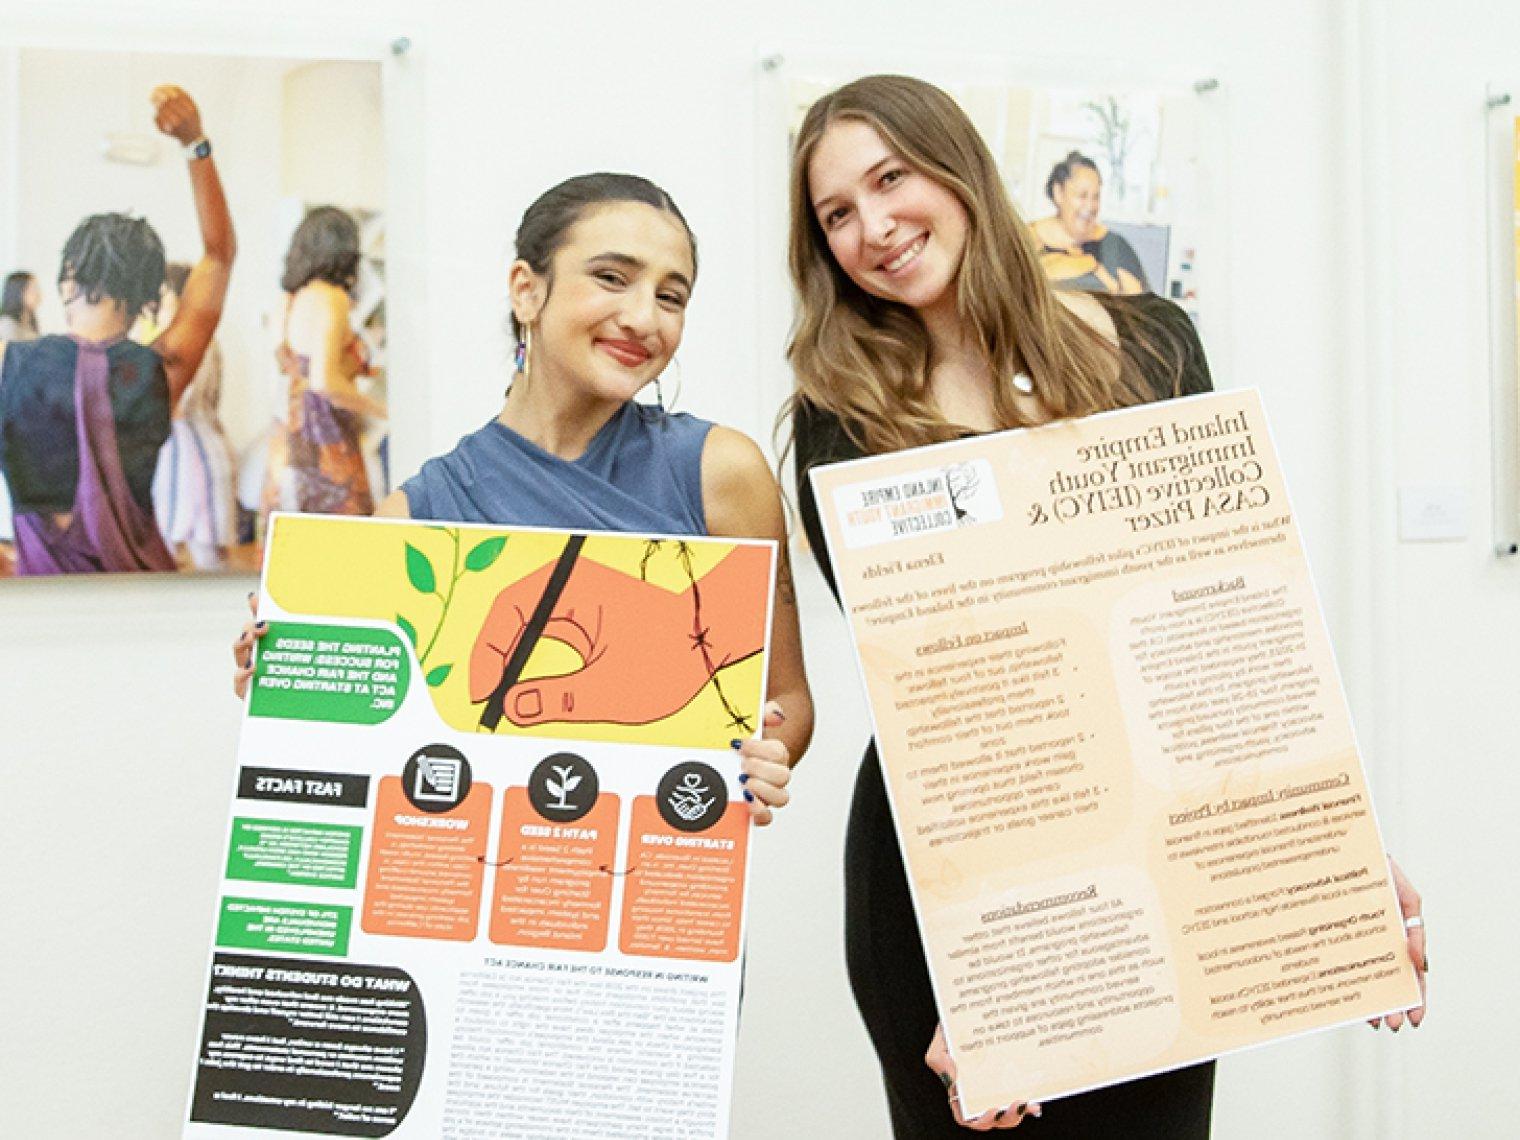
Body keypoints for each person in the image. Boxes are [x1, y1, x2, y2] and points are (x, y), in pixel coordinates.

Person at [786, 74, 1427, 1135]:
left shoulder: (1153, 344)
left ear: (960, 169)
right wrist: (978, 963)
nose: (873, 228)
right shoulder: (842, 416)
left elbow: (1220, 633)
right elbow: (945, 702)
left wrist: (1333, 856)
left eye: (889, 178)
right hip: (948, 865)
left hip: (1158, 857)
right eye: (835, 215)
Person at [237, 172, 812, 821]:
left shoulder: (722, 474)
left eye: (671, 295)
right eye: (612, 278)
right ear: (526, 289)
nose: (644, 317)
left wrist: (763, 758)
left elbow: (784, 693)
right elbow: (355, 752)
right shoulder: (414, 515)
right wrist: (286, 676)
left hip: (659, 886)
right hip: (477, 897)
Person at [0, 86, 235, 575]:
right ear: (147, 296)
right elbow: (218, 255)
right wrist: (196, 144)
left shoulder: (8, 366)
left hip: (40, 608)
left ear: (69, 278)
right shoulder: (162, 370)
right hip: (139, 597)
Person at [260, 206, 383, 528]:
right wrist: (380, 410)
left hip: (286, 440)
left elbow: (290, 368)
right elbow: (324, 381)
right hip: (325, 442)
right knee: (342, 552)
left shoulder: (287, 301)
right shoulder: (332, 298)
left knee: (292, 551)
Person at [148, 263, 238, 570]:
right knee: (206, 552)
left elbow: (173, 405)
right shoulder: (209, 340)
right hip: (207, 445)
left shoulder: (179, 344)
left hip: (188, 455)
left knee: (196, 551)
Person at [1032, 151, 1148, 295]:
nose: (1090, 206)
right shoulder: (1026, 242)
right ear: (1058, 193)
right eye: (1082, 195)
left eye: (1096, 197)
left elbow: (1141, 306)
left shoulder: (1114, 247)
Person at [0, 271, 41, 341]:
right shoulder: (7, 325)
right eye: (32, 289)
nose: (38, 294)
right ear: (17, 292)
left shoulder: (30, 323)